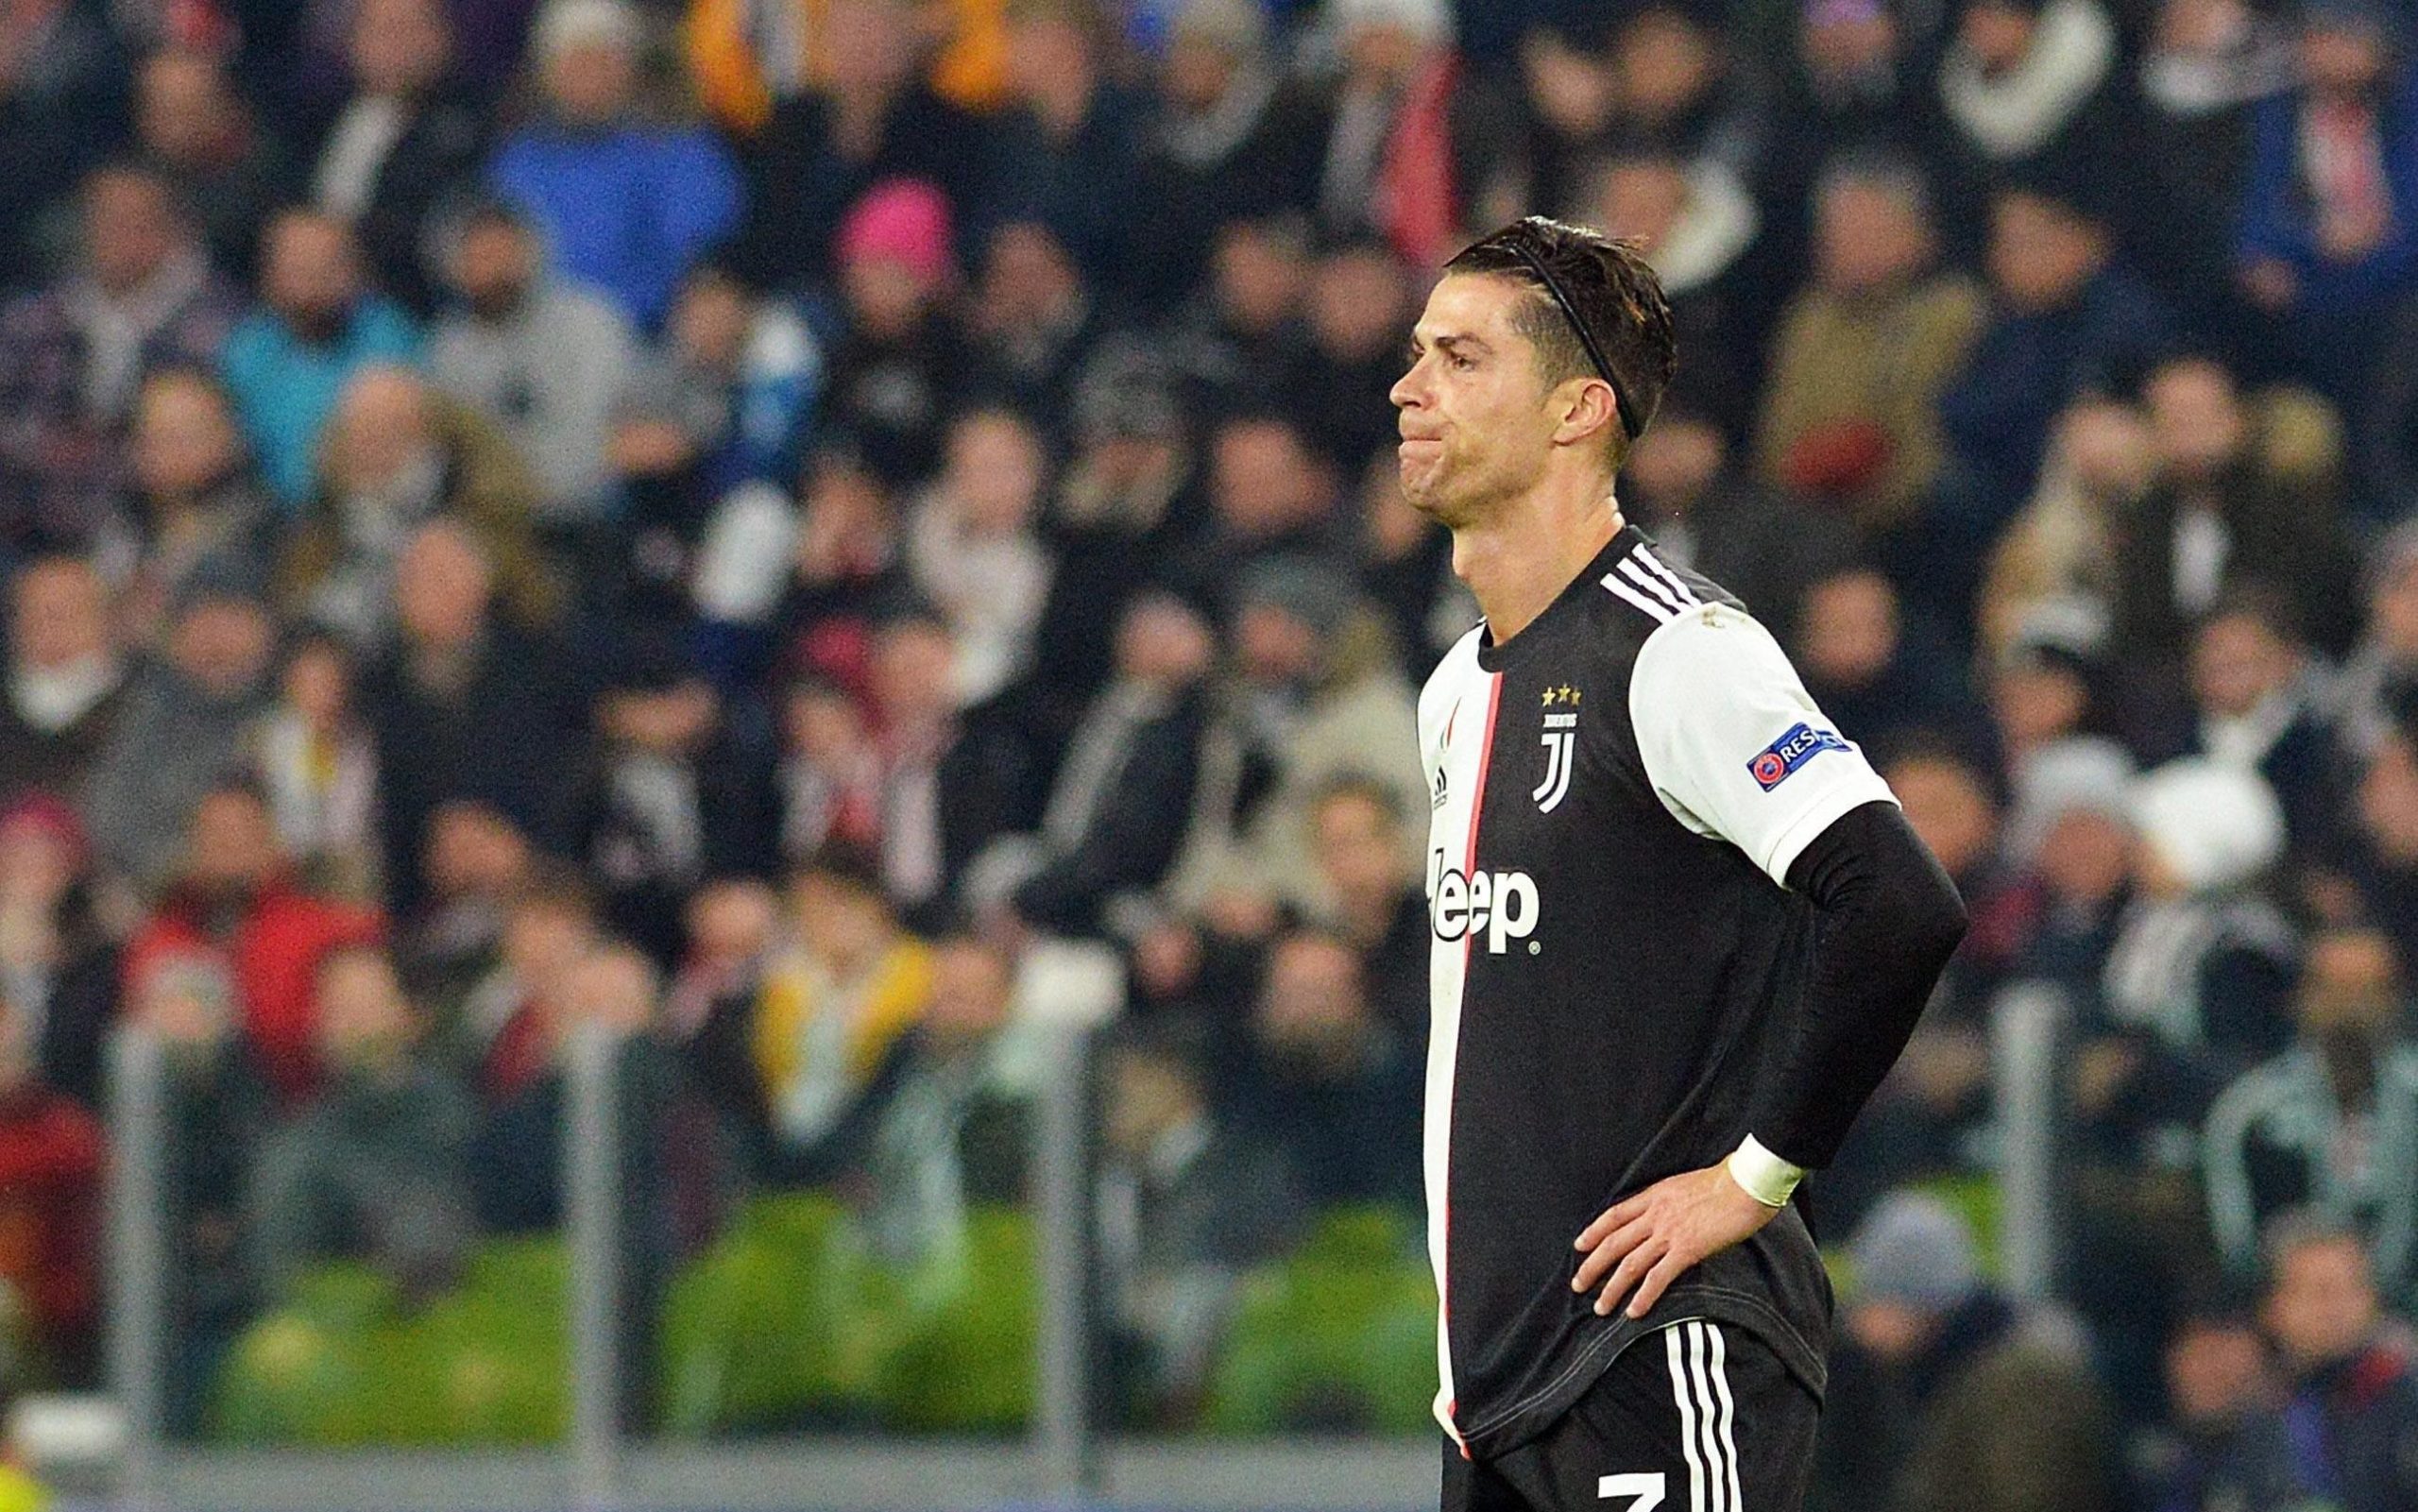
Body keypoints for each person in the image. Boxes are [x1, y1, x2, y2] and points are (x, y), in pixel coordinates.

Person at [1388, 215, 1967, 1508]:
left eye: (1462, 358)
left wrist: (1755, 1177)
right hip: (1494, 1391)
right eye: (1419, 351)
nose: (1408, 387)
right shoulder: (1454, 689)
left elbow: (1898, 901)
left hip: (1660, 1348)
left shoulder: (1679, 649)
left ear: (1578, 409)